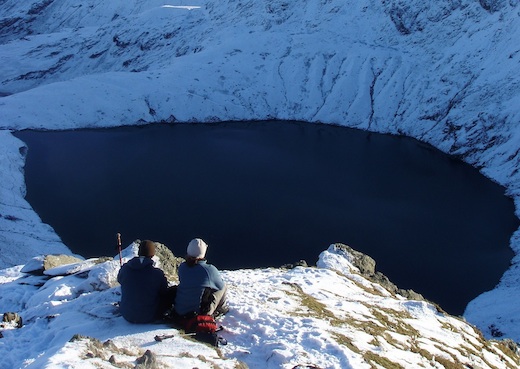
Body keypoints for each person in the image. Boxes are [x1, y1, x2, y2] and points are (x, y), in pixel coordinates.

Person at [117, 240, 174, 323]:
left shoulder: (125, 268)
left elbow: (120, 280)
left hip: (127, 315)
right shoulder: (157, 273)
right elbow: (164, 291)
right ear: (152, 255)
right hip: (149, 316)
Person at [174, 238, 229, 319]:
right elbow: (219, 286)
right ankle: (220, 309)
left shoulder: (182, 267)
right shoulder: (209, 270)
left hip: (179, 311)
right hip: (198, 314)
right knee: (223, 286)